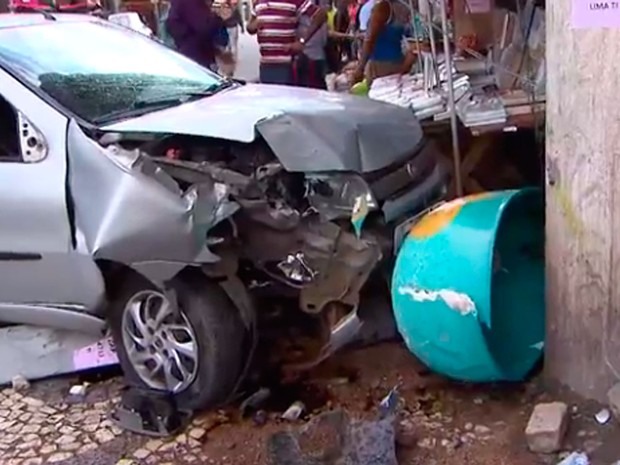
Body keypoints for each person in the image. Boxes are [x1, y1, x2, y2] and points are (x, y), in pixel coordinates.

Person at [246, 0, 327, 85]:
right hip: (265, 64)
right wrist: (253, 26)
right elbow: (250, 27)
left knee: (286, 96)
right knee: (268, 96)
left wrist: (302, 41)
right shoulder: (259, 2)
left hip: (287, 64)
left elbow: (321, 15)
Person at [351, 0, 416, 85]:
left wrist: (360, 68)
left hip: (380, 66)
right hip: (398, 62)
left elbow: (370, 39)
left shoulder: (382, 8)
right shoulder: (405, 8)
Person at [166, 0, 226, 70]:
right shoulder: (191, 3)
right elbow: (203, 27)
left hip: (187, 49)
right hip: (195, 53)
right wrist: (219, 18)